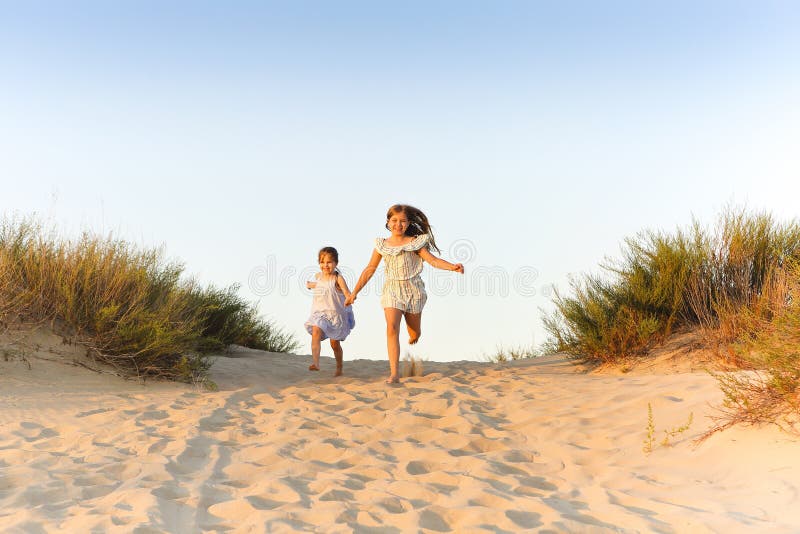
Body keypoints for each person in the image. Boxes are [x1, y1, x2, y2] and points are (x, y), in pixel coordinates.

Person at [345, 204, 464, 383]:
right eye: (394, 221)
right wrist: (354, 292)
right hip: (392, 290)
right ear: (387, 222)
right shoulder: (382, 245)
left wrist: (452, 267)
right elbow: (369, 269)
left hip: (413, 291)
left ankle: (415, 334)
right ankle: (394, 373)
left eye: (402, 221)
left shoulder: (414, 243)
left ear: (408, 223)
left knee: (414, 332)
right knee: (391, 327)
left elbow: (433, 260)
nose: (398, 225)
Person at [305, 246, 355, 376]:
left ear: (335, 263)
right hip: (320, 313)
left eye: (329, 262)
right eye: (322, 262)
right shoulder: (319, 276)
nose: (325, 265)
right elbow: (320, 284)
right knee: (316, 329)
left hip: (336, 315)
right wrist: (310, 285)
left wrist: (350, 297)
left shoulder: (338, 278)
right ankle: (316, 363)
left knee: (335, 345)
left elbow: (346, 291)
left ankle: (339, 367)